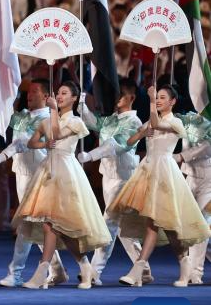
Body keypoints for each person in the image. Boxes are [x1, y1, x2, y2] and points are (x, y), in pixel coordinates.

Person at [109, 85, 211, 287]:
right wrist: (140, 134)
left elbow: (156, 123)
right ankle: (142, 269)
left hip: (165, 174)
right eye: (157, 98)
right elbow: (131, 141)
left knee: (168, 228)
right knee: (154, 225)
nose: (158, 100)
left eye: (162, 97)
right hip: (148, 172)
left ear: (173, 102)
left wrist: (149, 100)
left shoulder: (176, 122)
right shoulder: (152, 120)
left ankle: (177, 268)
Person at [14, 81, 111, 289]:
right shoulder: (49, 120)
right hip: (48, 170)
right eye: (58, 93)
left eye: (64, 93)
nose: (59, 96)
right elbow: (32, 142)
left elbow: (57, 135)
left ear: (74, 98)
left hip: (66, 171)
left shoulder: (75, 121)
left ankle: (55, 271)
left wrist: (52, 112)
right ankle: (80, 268)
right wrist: (43, 144)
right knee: (50, 223)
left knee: (64, 228)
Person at [0, 78, 65, 287]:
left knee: (26, 225)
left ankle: (16, 273)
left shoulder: (49, 119)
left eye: (35, 91)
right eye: (28, 91)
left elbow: (22, 143)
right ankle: (58, 269)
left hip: (40, 176)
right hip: (22, 175)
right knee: (37, 226)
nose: (29, 95)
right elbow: (6, 118)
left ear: (46, 96)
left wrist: (1, 156)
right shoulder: (22, 117)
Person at [76, 80, 144, 285]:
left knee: (109, 222)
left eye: (121, 95)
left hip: (125, 177)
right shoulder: (111, 119)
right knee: (123, 228)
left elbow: (117, 145)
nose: (117, 99)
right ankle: (144, 268)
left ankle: (94, 272)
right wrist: (81, 105)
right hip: (108, 175)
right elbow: (92, 123)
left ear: (131, 98)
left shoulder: (135, 123)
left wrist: (90, 156)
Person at [179, 112, 211, 284]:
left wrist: (181, 156)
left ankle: (195, 272)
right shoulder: (190, 118)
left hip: (209, 180)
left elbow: (207, 146)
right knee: (193, 225)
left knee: (200, 224)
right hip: (190, 177)